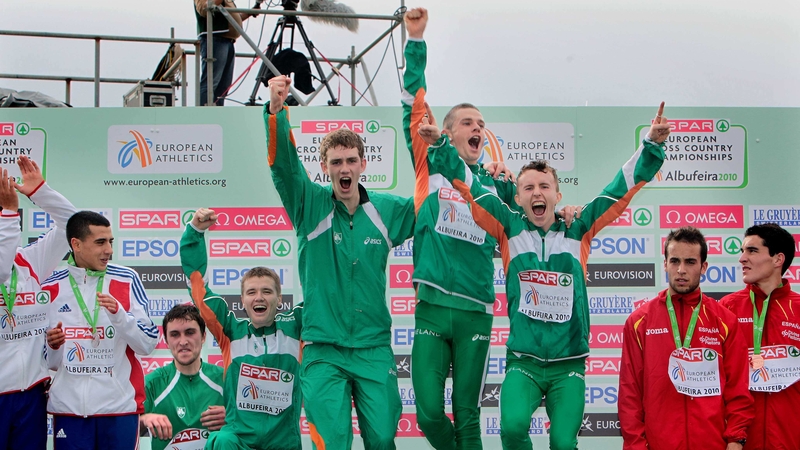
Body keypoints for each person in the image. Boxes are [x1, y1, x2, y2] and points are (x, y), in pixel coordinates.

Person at [419, 101, 669, 449]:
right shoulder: (508, 228)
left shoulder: (579, 228)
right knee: (512, 429)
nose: (537, 193)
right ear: (518, 198)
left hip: (569, 365)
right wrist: (441, 146)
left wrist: (651, 145)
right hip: (524, 363)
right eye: (528, 188)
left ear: (557, 195)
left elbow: (619, 189)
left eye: (544, 186)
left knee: (563, 444)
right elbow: (469, 185)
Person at [400, 8, 578, 450]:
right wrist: (416, 40)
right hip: (431, 307)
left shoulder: (498, 186)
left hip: (476, 310)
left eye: (482, 124)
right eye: (468, 122)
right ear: (446, 132)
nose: (477, 128)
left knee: (468, 416)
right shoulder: (430, 164)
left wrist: (567, 213)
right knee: (428, 414)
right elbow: (412, 102)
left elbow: (536, 221)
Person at [266, 75, 416, 450]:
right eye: (336, 162)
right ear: (325, 167)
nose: (344, 168)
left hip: (372, 346)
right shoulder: (309, 205)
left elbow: (433, 208)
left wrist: (482, 180)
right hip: (323, 348)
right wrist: (276, 112)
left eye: (351, 161)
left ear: (363, 163)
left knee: (382, 438)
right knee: (332, 442)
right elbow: (285, 167)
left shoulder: (386, 210)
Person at [619, 227, 753, 449]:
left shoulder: (724, 320)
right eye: (675, 261)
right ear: (665, 264)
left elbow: (738, 388)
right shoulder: (639, 321)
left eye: (690, 262)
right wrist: (635, 445)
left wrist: (735, 439)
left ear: (703, 267)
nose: (681, 270)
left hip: (712, 444)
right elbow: (629, 393)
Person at [180, 208, 303, 450]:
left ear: (279, 299)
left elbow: (325, 293)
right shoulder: (230, 330)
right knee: (221, 441)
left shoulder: (295, 325)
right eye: (251, 292)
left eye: (267, 291)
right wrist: (194, 233)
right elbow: (199, 289)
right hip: (239, 440)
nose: (259, 297)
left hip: (284, 442)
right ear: (243, 300)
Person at [43, 211, 158, 450]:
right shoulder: (51, 286)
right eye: (100, 242)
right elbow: (49, 363)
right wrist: (53, 346)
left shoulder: (127, 279)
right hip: (70, 411)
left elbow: (147, 344)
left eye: (110, 241)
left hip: (118, 409)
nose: (109, 250)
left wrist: (119, 316)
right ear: (76, 244)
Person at [0, 156, 76, 450]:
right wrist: (9, 214)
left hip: (31, 394)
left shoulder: (30, 261)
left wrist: (40, 192)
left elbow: (75, 226)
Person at [720, 223, 800, 450]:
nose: (742, 259)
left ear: (778, 259)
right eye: (742, 251)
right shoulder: (727, 308)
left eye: (752, 251)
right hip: (739, 441)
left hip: (790, 440)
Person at [141, 304, 225, 450]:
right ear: (166, 341)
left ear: (203, 336)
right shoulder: (152, 383)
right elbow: (124, 428)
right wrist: (144, 419)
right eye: (175, 334)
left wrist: (232, 418)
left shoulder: (224, 379)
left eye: (190, 332)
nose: (183, 342)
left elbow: (254, 425)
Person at [194, 0, 256, 106]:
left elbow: (229, 18)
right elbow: (204, 9)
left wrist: (249, 13)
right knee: (211, 82)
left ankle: (217, 111)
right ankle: (204, 112)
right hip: (215, 39)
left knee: (223, 85)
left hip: (227, 41)